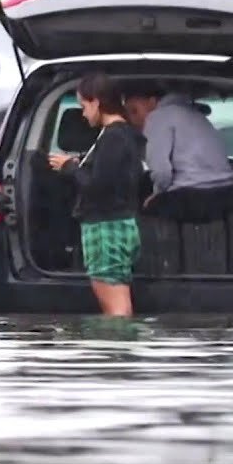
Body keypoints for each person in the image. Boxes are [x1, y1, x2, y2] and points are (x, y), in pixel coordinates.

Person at [49, 73, 147, 316]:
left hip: (106, 229)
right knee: (116, 297)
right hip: (120, 224)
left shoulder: (114, 136)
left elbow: (97, 186)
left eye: (83, 106)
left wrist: (70, 168)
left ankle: (116, 348)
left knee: (115, 305)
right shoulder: (124, 134)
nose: (83, 113)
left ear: (97, 102)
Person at [122, 88, 233, 222]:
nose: (132, 120)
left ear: (152, 102)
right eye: (128, 115)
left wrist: (156, 195)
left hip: (192, 195)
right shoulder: (192, 113)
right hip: (226, 191)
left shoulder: (157, 117)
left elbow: (161, 171)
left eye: (135, 111)